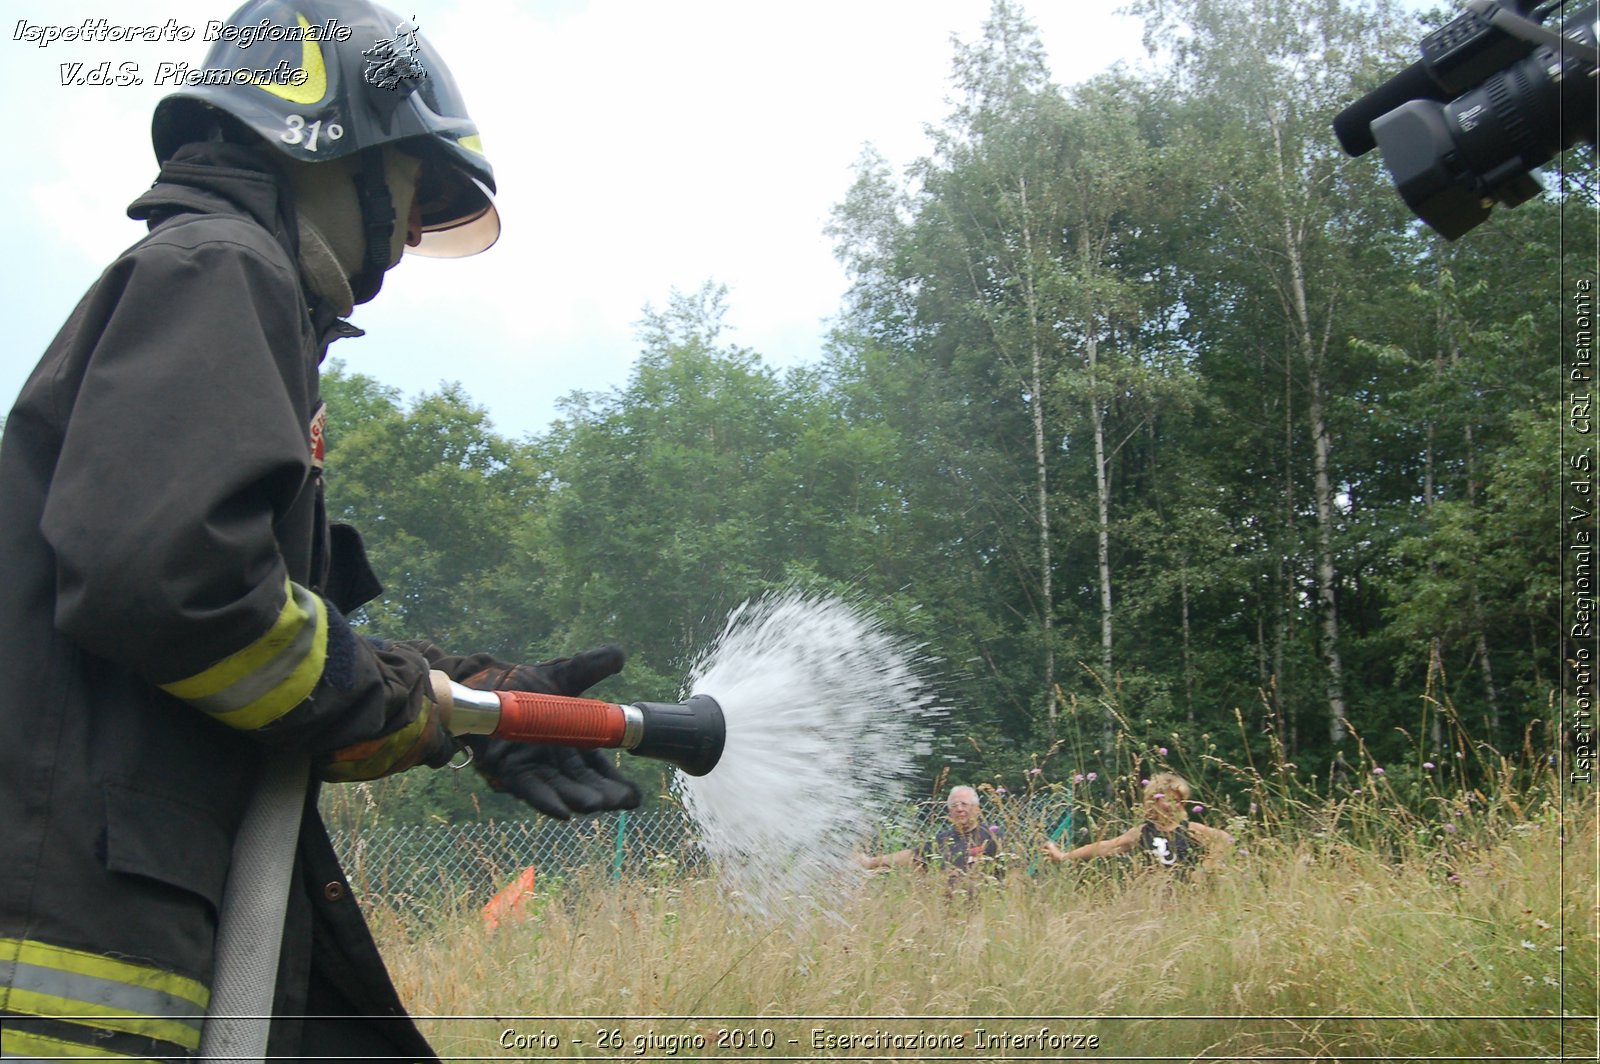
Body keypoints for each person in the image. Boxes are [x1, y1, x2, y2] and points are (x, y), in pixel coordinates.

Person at [0, 3, 640, 1060]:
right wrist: (414, 704)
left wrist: (474, 692)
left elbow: (251, 606)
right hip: (70, 964)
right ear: (335, 139)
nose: (407, 229)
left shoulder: (215, 288)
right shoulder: (222, 270)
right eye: (409, 186)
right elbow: (172, 584)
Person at [1042, 772, 1232, 872]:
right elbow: (1105, 847)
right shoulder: (1142, 832)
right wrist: (1064, 856)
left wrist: (1205, 868)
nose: (1174, 805)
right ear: (1154, 801)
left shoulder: (1190, 829)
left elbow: (1225, 840)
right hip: (1153, 898)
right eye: (1169, 800)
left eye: (1178, 800)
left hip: (1188, 901)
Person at [858, 785, 1006, 881]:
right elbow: (910, 855)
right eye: (954, 805)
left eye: (964, 804)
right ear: (949, 812)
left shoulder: (992, 835)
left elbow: (1013, 870)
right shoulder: (942, 840)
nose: (959, 809)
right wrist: (870, 862)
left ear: (977, 809)